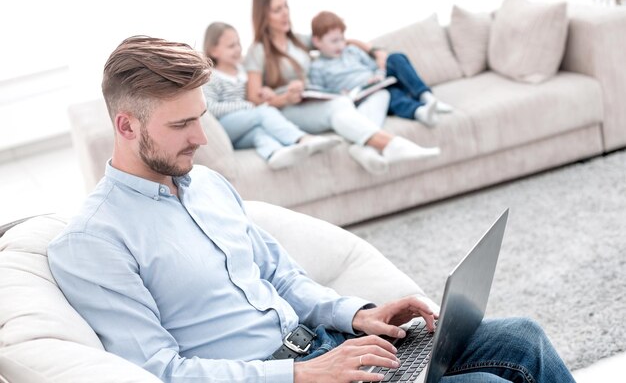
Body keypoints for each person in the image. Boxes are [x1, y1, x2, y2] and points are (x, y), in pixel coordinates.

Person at [48, 35, 576, 383]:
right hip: (286, 376)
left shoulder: (206, 183)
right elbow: (160, 372)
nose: (201, 138)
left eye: (200, 118)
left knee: (523, 336)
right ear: (126, 126)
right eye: (181, 125)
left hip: (331, 344)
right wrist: (304, 375)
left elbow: (280, 274)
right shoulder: (94, 242)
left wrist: (355, 313)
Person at [245, 0, 440, 175]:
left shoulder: (297, 40)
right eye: (277, 10)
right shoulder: (258, 51)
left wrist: (374, 50)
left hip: (312, 99)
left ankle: (365, 148)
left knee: (380, 94)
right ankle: (391, 145)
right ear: (264, 15)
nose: (285, 13)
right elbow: (254, 99)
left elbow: (340, 39)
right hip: (289, 110)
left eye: (286, 6)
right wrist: (284, 98)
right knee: (338, 106)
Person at [202, 21, 341, 170]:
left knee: (259, 134)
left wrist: (265, 92)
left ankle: (275, 153)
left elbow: (254, 94)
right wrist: (248, 105)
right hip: (228, 127)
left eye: (238, 44)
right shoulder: (211, 77)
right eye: (231, 46)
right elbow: (210, 108)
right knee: (263, 111)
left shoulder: (243, 71)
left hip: (246, 128)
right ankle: (302, 138)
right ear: (214, 51)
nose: (237, 49)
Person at [309, 11, 454, 128]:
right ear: (317, 41)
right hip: (364, 94)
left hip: (378, 80)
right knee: (389, 94)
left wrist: (378, 75)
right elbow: (321, 95)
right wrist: (343, 95)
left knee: (395, 58)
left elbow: (374, 66)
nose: (340, 45)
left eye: (342, 39)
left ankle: (427, 97)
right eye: (334, 41)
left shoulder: (351, 50)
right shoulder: (317, 67)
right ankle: (420, 111)